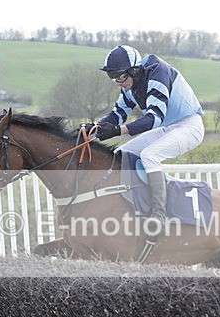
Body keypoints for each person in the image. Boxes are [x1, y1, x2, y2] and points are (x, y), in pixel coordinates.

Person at [88, 45, 205, 235]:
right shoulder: (131, 82)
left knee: (149, 156)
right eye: (114, 78)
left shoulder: (158, 74)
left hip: (189, 127)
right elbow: (118, 113)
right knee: (122, 154)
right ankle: (132, 204)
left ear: (135, 70)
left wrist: (117, 131)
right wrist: (93, 128)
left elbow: (153, 118)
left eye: (121, 77)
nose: (118, 82)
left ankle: (159, 214)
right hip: (168, 127)